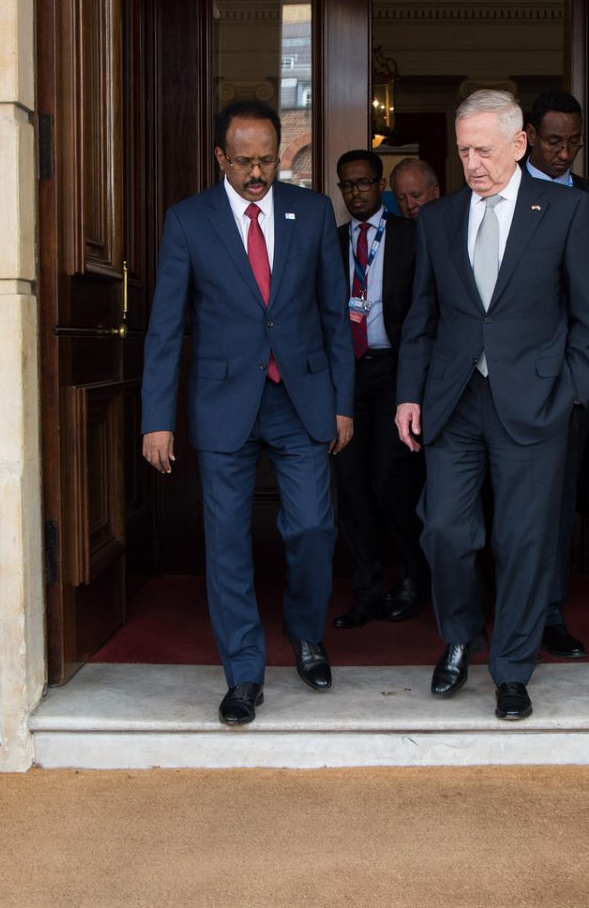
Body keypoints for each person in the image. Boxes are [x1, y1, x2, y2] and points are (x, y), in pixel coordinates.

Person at [140, 99, 355, 727]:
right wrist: (159, 417)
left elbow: (333, 318)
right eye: (244, 162)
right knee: (227, 542)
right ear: (220, 158)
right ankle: (243, 673)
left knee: (314, 527)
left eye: (266, 160)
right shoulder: (187, 221)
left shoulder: (311, 212)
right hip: (222, 403)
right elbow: (163, 328)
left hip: (300, 399)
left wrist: (342, 403)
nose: (257, 173)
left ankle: (306, 633)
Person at [394, 89, 589, 721]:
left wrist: (571, 392)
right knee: (445, 530)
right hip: (454, 401)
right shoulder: (439, 218)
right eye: (463, 151)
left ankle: (512, 669)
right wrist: (409, 392)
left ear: (519, 145)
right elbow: (421, 318)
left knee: (524, 540)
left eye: (483, 149)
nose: (472, 163)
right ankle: (460, 636)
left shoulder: (567, 212)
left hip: (535, 403)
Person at [522, 90, 589, 660]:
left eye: (574, 143)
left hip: (568, 380)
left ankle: (550, 612)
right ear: (529, 136)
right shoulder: (501, 192)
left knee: (557, 503)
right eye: (555, 141)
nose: (565, 153)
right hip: (506, 374)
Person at [329, 149, 429, 630]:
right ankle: (367, 590)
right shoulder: (331, 242)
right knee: (350, 487)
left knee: (392, 481)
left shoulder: (414, 236)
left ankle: (414, 577)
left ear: (380, 183)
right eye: (347, 185)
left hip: (396, 372)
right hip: (347, 375)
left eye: (364, 183)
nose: (356, 192)